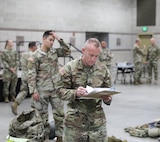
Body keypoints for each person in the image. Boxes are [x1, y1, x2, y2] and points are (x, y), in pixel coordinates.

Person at [55, 38, 112, 142]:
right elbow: (59, 91)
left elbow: (108, 93)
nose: (94, 59)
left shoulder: (103, 69)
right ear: (83, 50)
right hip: (75, 124)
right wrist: (75, 93)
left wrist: (107, 99)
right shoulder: (70, 68)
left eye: (96, 56)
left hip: (97, 124)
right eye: (91, 55)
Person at [27, 30, 71, 142]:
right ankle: (45, 138)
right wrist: (33, 91)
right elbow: (31, 74)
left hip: (56, 89)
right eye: (50, 40)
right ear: (43, 39)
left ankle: (60, 138)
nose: (52, 42)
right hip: (42, 91)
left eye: (53, 40)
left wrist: (58, 38)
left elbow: (67, 51)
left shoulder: (54, 52)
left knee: (60, 115)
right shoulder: (35, 56)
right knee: (42, 117)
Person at [11, 42, 37, 115]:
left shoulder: (23, 54)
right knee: (34, 91)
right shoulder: (33, 55)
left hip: (24, 75)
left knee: (24, 91)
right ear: (33, 47)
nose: (37, 48)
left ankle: (15, 104)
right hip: (31, 75)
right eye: (36, 46)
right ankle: (33, 109)